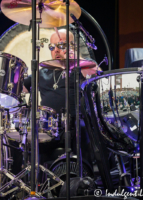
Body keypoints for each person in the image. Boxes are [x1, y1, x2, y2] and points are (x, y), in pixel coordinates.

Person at [23, 29, 100, 165]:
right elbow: (18, 89)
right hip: (47, 126)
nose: (56, 50)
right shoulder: (44, 71)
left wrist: (74, 56)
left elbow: (98, 76)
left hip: (76, 124)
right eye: (52, 47)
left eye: (61, 45)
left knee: (82, 128)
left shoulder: (82, 66)